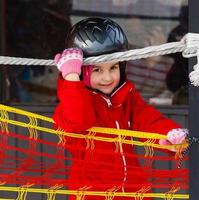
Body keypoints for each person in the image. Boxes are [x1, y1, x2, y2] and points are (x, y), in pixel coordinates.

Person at [52, 17, 187, 200]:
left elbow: (146, 118)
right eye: (97, 70)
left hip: (133, 189)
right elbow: (79, 120)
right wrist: (71, 79)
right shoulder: (68, 105)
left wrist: (168, 133)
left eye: (113, 67)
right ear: (81, 71)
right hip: (92, 194)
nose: (107, 78)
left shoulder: (124, 96)